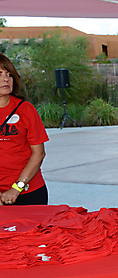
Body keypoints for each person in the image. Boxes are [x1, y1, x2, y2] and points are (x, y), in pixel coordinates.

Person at [0, 53, 49, 206]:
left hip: (29, 192)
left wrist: (17, 187)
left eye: (9, 75)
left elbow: (39, 153)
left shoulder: (25, 109)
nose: (6, 79)